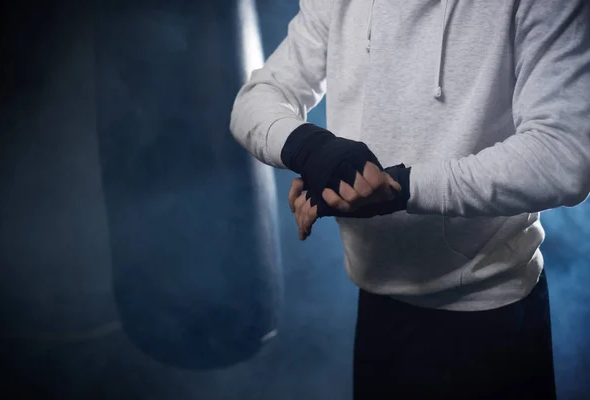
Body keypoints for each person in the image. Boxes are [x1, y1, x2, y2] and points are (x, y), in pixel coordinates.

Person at [230, 0, 590, 398]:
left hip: (489, 318)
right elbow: (257, 98)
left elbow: (565, 155)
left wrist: (399, 187)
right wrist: (313, 151)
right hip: (379, 306)